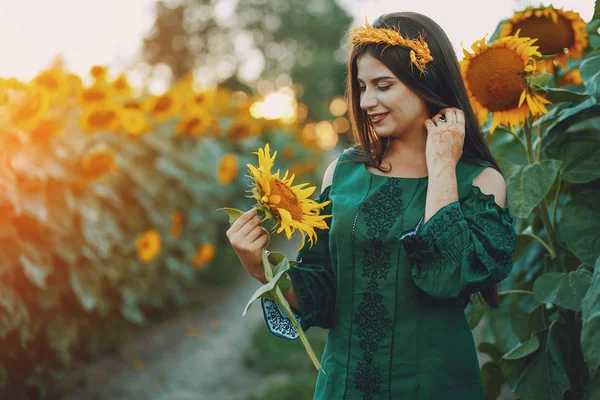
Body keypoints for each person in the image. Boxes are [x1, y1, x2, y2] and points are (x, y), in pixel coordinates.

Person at [226, 11, 516, 400]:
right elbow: (323, 294)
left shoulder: (480, 183)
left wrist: (443, 166)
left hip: (437, 387)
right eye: (362, 87)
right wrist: (261, 269)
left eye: (383, 85)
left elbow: (445, 279)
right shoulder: (342, 173)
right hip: (342, 387)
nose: (366, 101)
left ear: (426, 82)